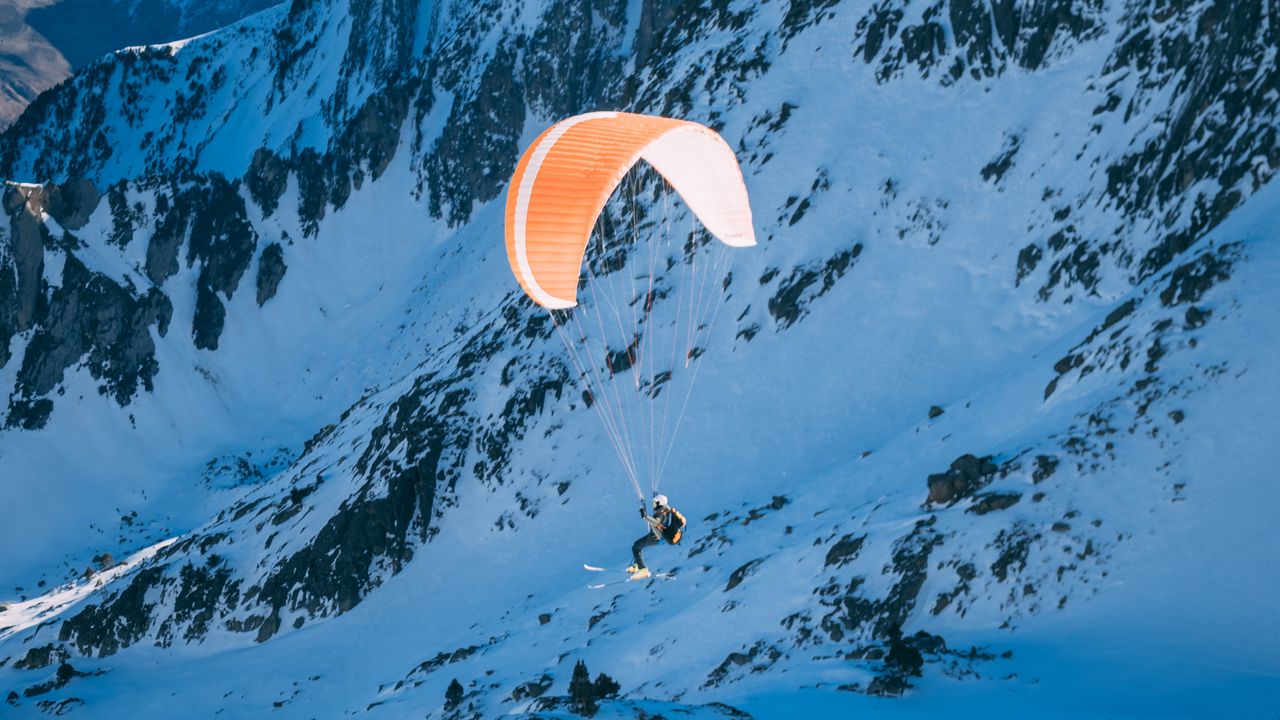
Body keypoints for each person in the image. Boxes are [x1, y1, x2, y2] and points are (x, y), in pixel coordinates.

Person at [627, 494, 686, 579]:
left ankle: (642, 569)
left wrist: (645, 517)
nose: (653, 505)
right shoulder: (665, 511)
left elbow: (656, 522)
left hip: (655, 537)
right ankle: (637, 565)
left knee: (636, 547)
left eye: (655, 503)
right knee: (637, 545)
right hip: (658, 537)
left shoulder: (660, 513)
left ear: (659, 503)